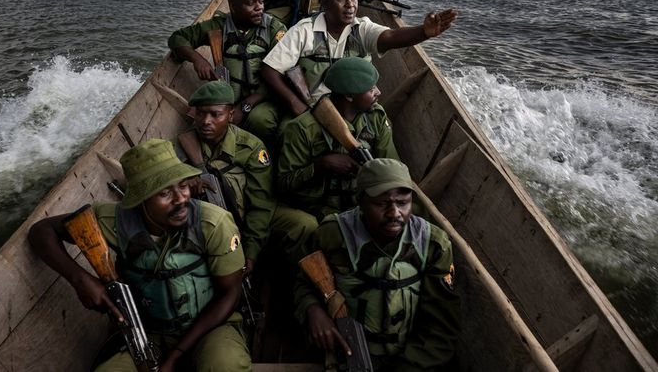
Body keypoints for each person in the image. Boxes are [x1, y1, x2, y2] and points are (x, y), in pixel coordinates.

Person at [28, 138, 251, 372]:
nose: (181, 199)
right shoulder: (111, 221)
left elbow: (230, 294)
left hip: (211, 327)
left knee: (226, 365)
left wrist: (175, 356)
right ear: (140, 201)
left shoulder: (212, 223)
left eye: (183, 186)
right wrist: (80, 279)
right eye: (165, 193)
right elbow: (41, 231)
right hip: (146, 331)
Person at [295, 158, 459, 371]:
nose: (394, 214)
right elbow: (302, 282)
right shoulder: (333, 235)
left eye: (402, 203)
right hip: (345, 350)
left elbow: (440, 328)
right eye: (381, 204)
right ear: (361, 202)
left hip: (410, 360)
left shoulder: (432, 245)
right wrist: (313, 310)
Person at [262, 0, 457, 116]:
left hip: (356, 108)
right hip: (313, 108)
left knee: (379, 125)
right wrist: (295, 103)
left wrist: (423, 32)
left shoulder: (362, 27)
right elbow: (270, 70)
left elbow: (390, 37)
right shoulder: (304, 30)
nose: (350, 5)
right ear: (324, 3)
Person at [179, 81, 315, 273]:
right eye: (201, 113)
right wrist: (183, 184)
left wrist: (250, 252)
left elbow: (261, 203)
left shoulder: (250, 147)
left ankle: (287, 279)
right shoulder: (184, 146)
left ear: (230, 115)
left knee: (305, 225)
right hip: (216, 222)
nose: (206, 121)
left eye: (215, 114)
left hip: (255, 211)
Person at [276, 57, 400, 221]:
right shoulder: (302, 128)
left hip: (360, 202)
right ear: (349, 96)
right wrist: (321, 166)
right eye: (370, 90)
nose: (378, 92)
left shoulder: (375, 116)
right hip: (317, 208)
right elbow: (283, 184)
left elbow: (391, 164)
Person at [168, 0, 286, 146]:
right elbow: (177, 38)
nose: (259, 7)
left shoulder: (274, 29)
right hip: (229, 97)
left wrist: (245, 106)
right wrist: (197, 59)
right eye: (251, 3)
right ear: (233, 6)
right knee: (202, 122)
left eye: (261, 1)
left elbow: (280, 75)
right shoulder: (219, 26)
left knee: (260, 121)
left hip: (263, 98)